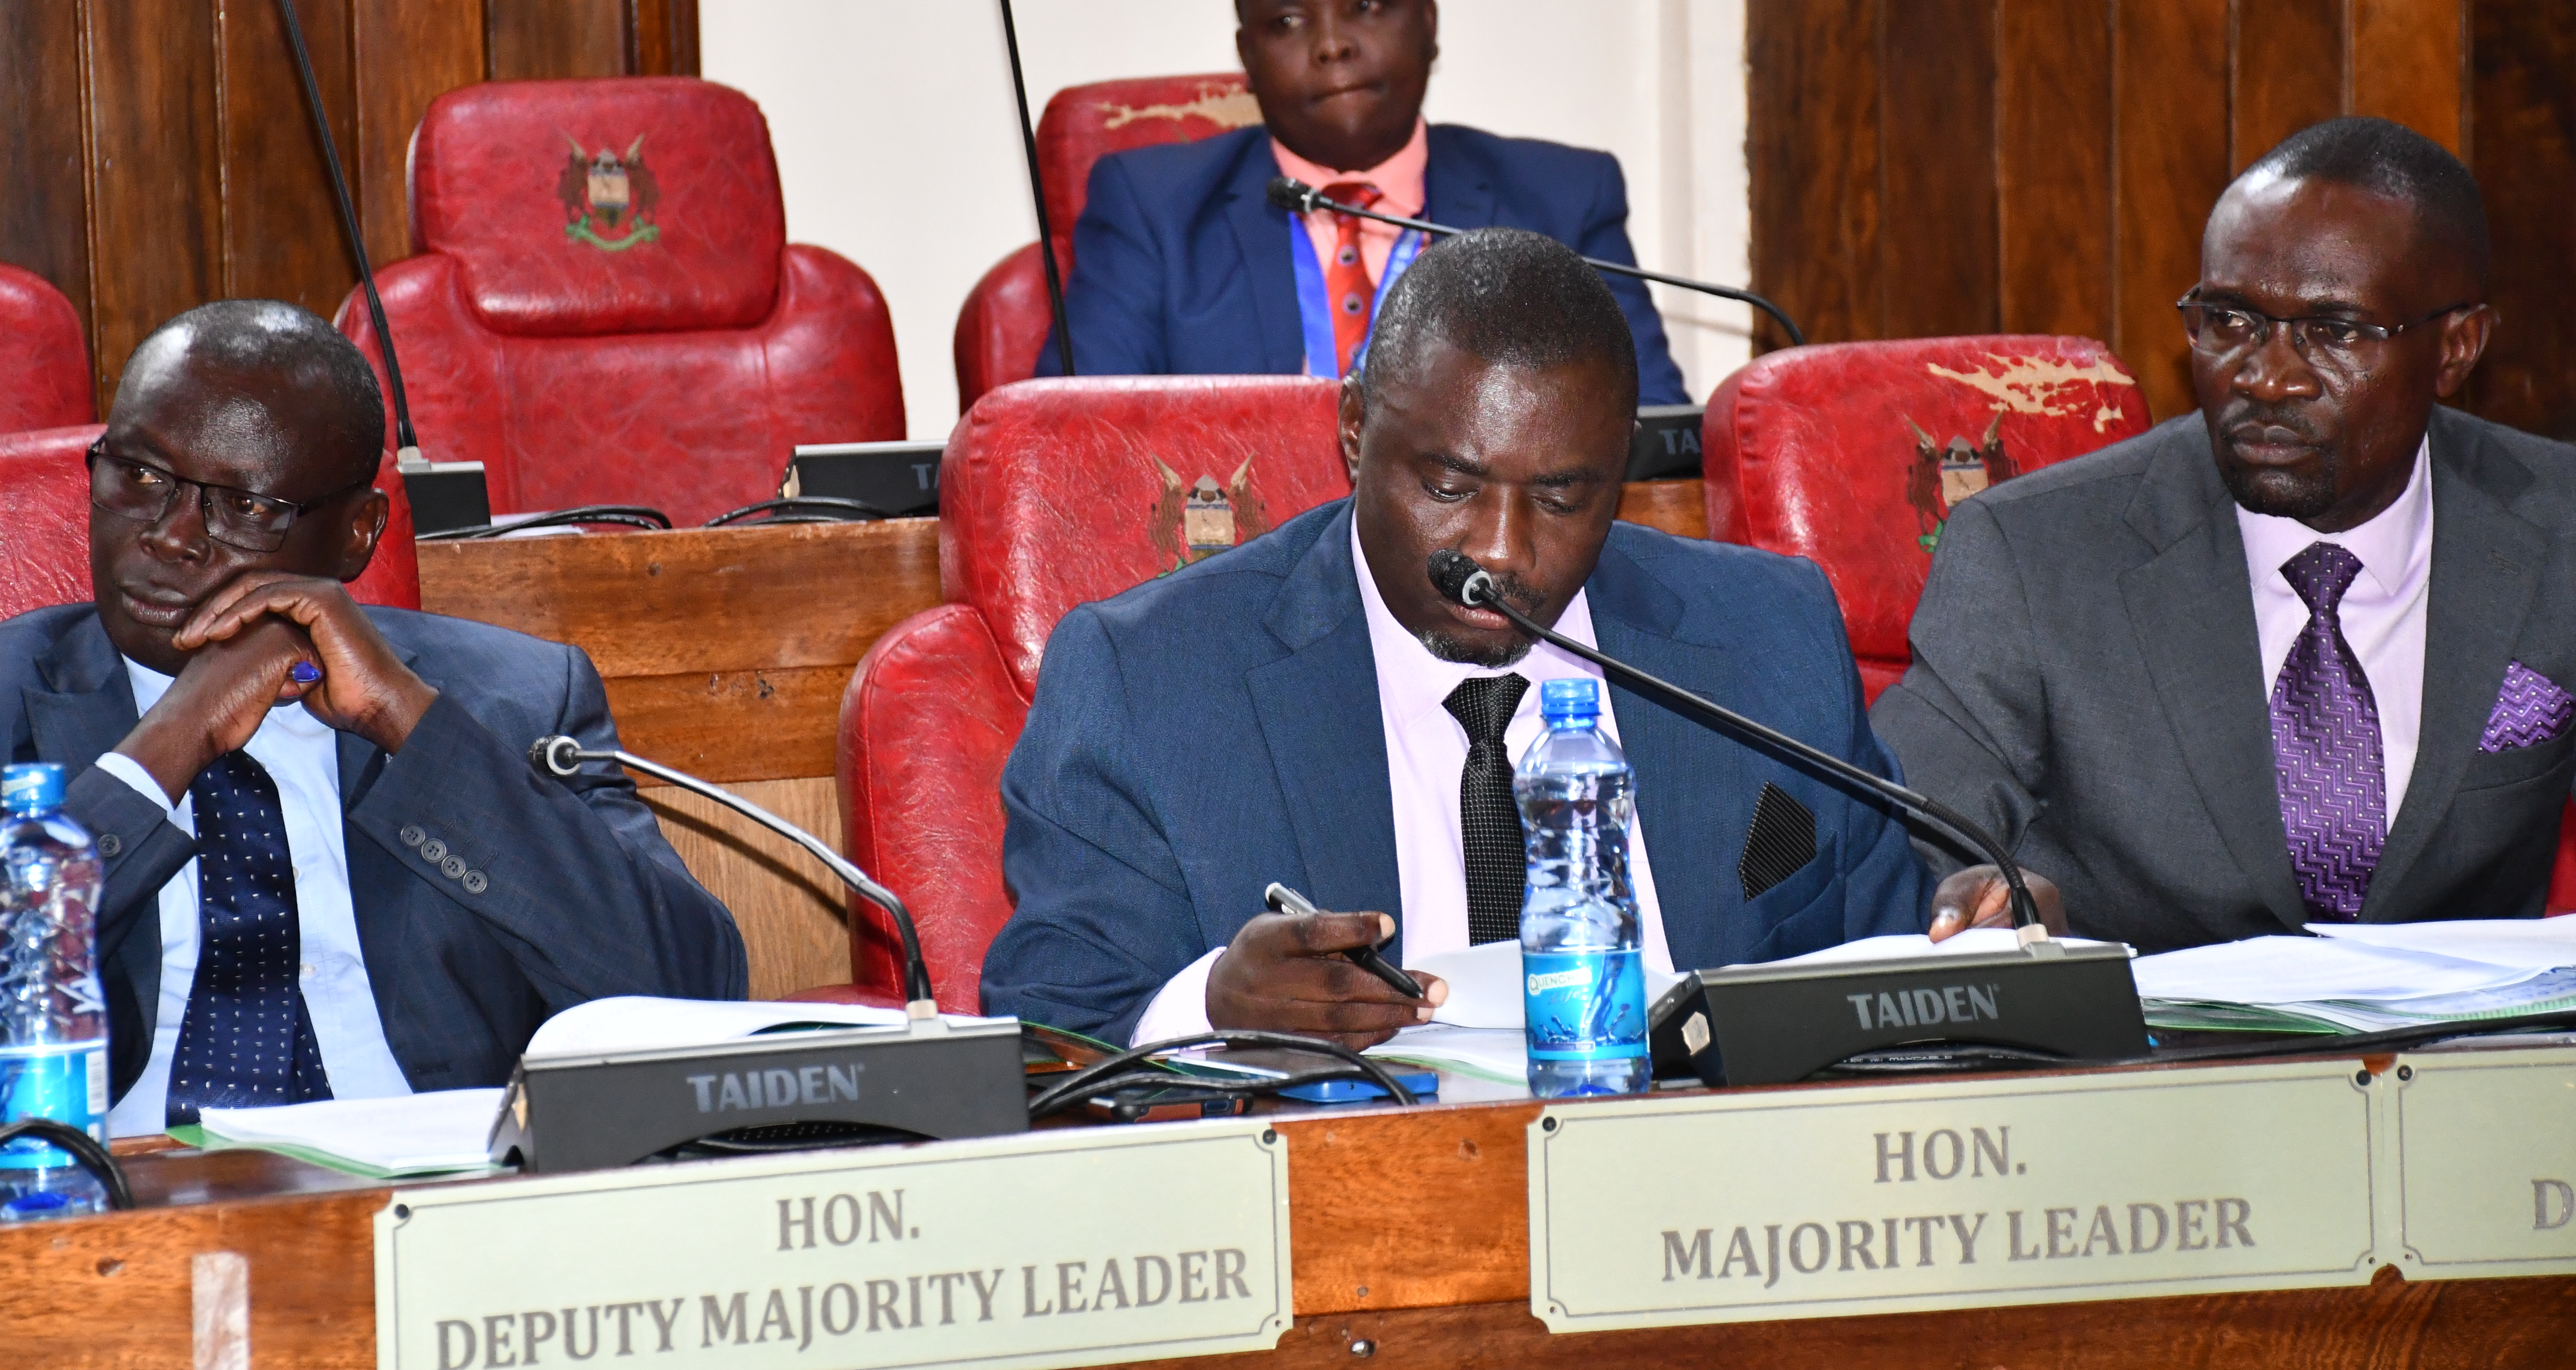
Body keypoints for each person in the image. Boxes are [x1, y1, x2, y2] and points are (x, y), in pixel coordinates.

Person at [984, 231, 2049, 1045]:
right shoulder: (1151, 677)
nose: (1500, 550)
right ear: (1357, 429)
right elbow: (1044, 1027)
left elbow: (1875, 951)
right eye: (1449, 486)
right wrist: (1213, 1001)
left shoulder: (1767, 639)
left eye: (1562, 496)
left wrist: (1969, 936)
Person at [0, 301, 744, 1132]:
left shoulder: (515, 696)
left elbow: (692, 993)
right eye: (140, 477)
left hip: (441, 1196)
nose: (173, 537)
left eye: (245, 507)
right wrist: (171, 742)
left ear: (356, 536)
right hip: (112, 1200)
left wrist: (412, 724)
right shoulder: (10, 694)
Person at [1876, 117, 2576, 953]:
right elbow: (1913, 828)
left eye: (2335, 331)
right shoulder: (2033, 554)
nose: (2266, 377)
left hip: (2466, 1070)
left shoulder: (2556, 530)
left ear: (2457, 348)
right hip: (2155, 1063)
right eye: (2231, 320)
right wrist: (1983, 896)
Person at [1037, 0, 1691, 406]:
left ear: (1428, 25)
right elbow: (1069, 447)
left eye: (1369, 6)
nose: (1332, 45)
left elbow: (1655, 440)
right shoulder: (1153, 210)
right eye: (1288, 22)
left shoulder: (1562, 201)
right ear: (1248, 57)